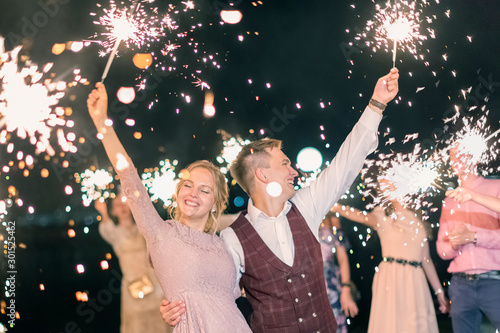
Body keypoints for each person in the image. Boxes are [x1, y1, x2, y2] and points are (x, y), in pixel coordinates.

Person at [162, 68, 400, 332]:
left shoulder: (307, 205)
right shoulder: (232, 238)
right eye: (285, 163)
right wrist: (177, 308)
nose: (294, 171)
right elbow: (217, 297)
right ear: (262, 174)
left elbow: (346, 163)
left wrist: (377, 104)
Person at [87, 83, 252, 333]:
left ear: (215, 203)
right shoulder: (160, 234)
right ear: (178, 191)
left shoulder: (224, 243)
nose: (193, 193)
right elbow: (127, 173)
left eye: (205, 190)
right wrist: (101, 123)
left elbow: (243, 290)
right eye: (188, 185)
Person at [332, 177, 449, 333]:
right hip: (391, 277)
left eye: (391, 184)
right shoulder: (382, 215)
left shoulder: (418, 218)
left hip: (415, 279)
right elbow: (359, 216)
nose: (388, 189)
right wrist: (336, 207)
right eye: (384, 187)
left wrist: (439, 292)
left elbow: (426, 259)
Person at [436, 144, 500, 333]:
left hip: (494, 281)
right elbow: (441, 249)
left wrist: (474, 237)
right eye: (452, 155)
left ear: (477, 158)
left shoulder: (496, 188)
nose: (456, 159)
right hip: (460, 285)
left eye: (462, 154)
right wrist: (454, 244)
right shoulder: (449, 201)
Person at [94, 196, 171, 333]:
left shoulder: (141, 228)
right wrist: (103, 213)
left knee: (159, 321)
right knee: (137, 324)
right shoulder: (116, 233)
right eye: (117, 206)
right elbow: (106, 230)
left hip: (154, 281)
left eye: (124, 204)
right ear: (113, 211)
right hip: (132, 284)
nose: (122, 208)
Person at [320, 212, 358, 333]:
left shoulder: (332, 220)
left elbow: (343, 259)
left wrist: (346, 290)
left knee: (334, 324)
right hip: (305, 279)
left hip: (330, 283)